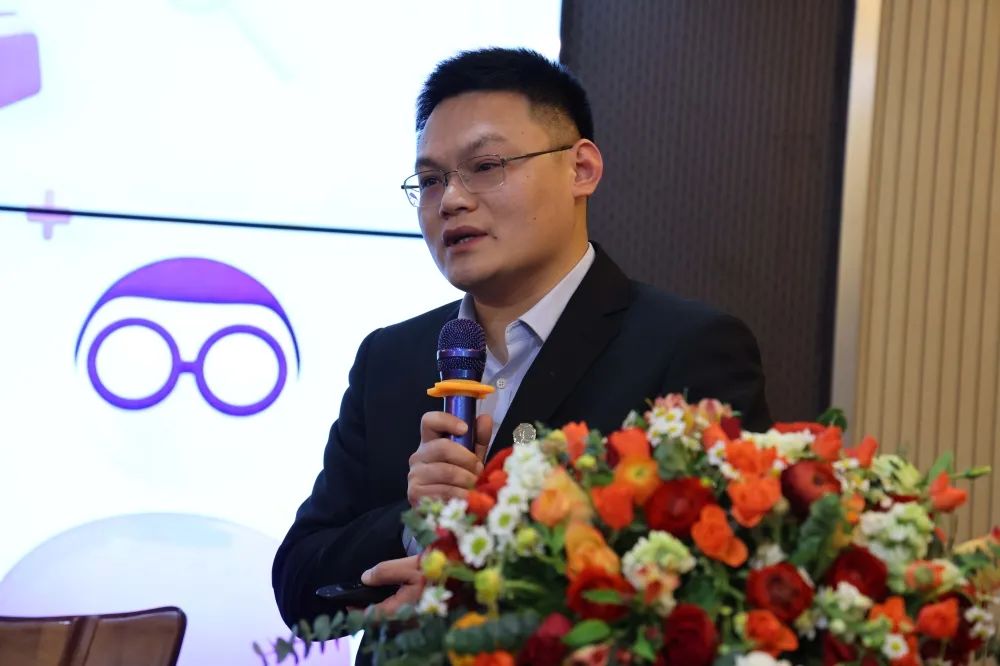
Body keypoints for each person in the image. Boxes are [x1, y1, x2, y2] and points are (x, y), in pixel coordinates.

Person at [273, 47, 770, 630]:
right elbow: (298, 582)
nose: (451, 200)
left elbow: (725, 582)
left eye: (486, 166)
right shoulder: (390, 358)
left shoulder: (688, 349)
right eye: (430, 180)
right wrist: (413, 522)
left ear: (581, 169)